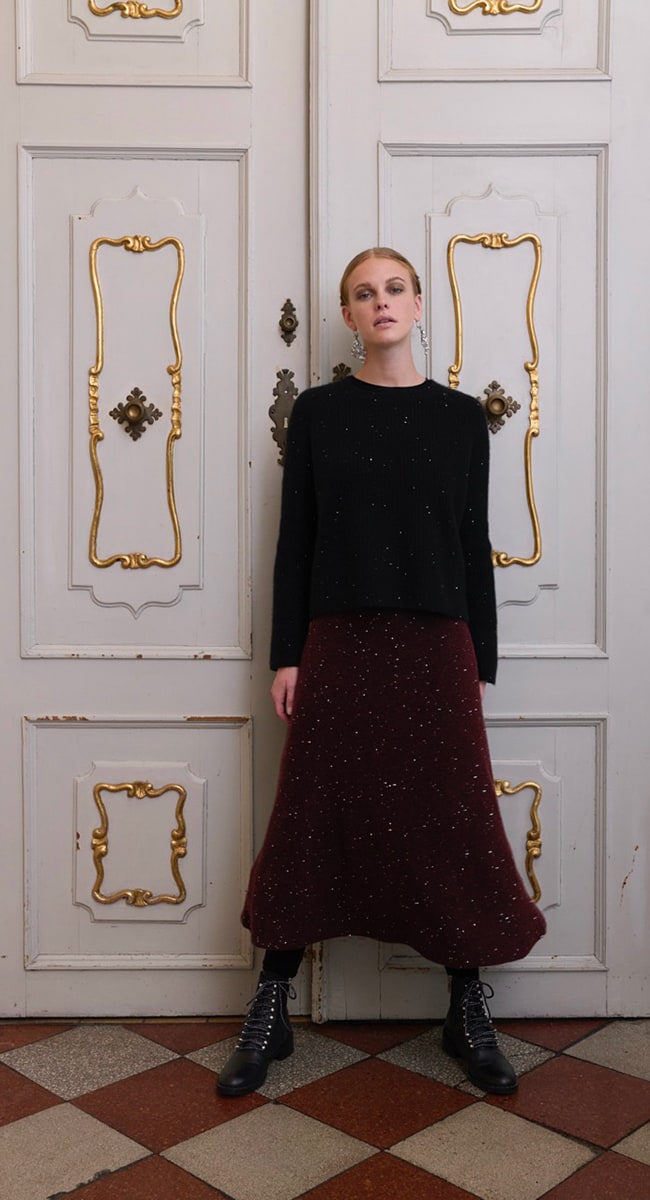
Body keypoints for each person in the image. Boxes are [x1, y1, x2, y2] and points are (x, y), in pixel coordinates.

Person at [217, 247, 546, 1099]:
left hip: (438, 643)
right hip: (340, 639)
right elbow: (295, 540)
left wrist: (479, 657)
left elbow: (472, 540)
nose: (382, 302)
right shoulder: (319, 413)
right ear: (349, 316)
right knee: (310, 813)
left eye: (395, 288)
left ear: (419, 303)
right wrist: (288, 654)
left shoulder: (461, 417)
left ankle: (466, 1005)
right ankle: (271, 1005)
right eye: (365, 294)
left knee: (452, 816)